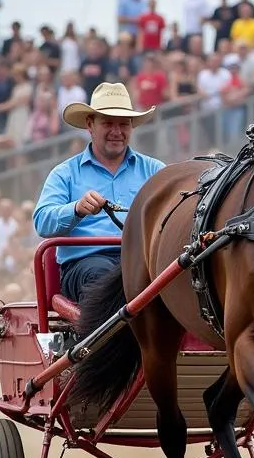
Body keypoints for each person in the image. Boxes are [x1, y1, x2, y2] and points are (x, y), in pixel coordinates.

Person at [33, 83, 165, 301]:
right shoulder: (65, 173)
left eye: (123, 124)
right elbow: (42, 221)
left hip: (143, 262)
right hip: (86, 264)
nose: (117, 132)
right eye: (108, 123)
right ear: (90, 125)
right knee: (106, 277)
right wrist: (76, 208)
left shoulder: (155, 170)